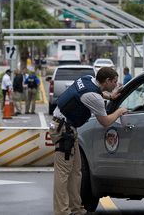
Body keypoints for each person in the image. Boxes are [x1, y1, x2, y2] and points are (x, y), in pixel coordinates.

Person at [49, 67, 127, 215]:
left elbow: (95, 93)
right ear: (107, 81)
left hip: (67, 128)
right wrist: (119, 111)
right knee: (63, 173)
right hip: (64, 131)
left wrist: (110, 97)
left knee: (75, 171)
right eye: (114, 82)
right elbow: (105, 121)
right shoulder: (94, 97)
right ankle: (62, 211)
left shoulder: (87, 79)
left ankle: (76, 208)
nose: (116, 85)